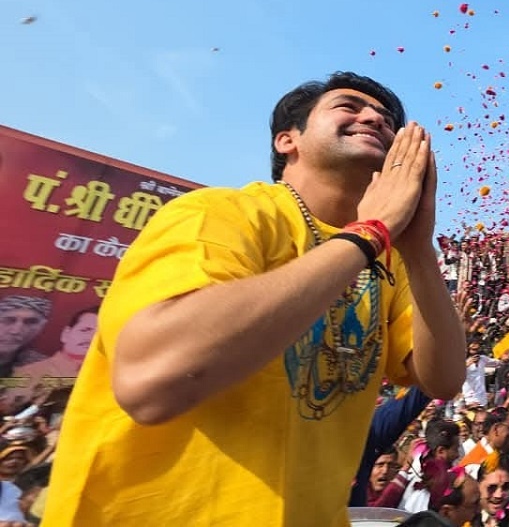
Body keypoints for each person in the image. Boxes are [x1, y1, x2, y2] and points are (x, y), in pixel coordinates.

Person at [43, 72, 466, 526]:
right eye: (349, 106)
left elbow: (441, 377)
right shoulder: (220, 214)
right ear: (288, 140)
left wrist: (418, 247)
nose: (374, 119)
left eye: (386, 120)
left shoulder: (390, 263)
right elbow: (153, 379)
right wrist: (371, 232)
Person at [0, 296, 51, 378]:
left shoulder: (42, 366)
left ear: (41, 327)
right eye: (8, 320)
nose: (16, 331)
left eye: (29, 322)